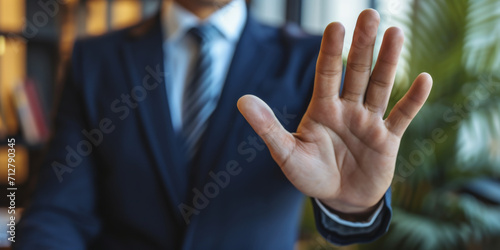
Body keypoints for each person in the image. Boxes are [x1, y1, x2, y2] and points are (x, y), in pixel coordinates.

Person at [14, 0, 432, 249]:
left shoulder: (310, 63)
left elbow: (343, 203)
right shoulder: (96, 61)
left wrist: (351, 204)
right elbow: (59, 211)